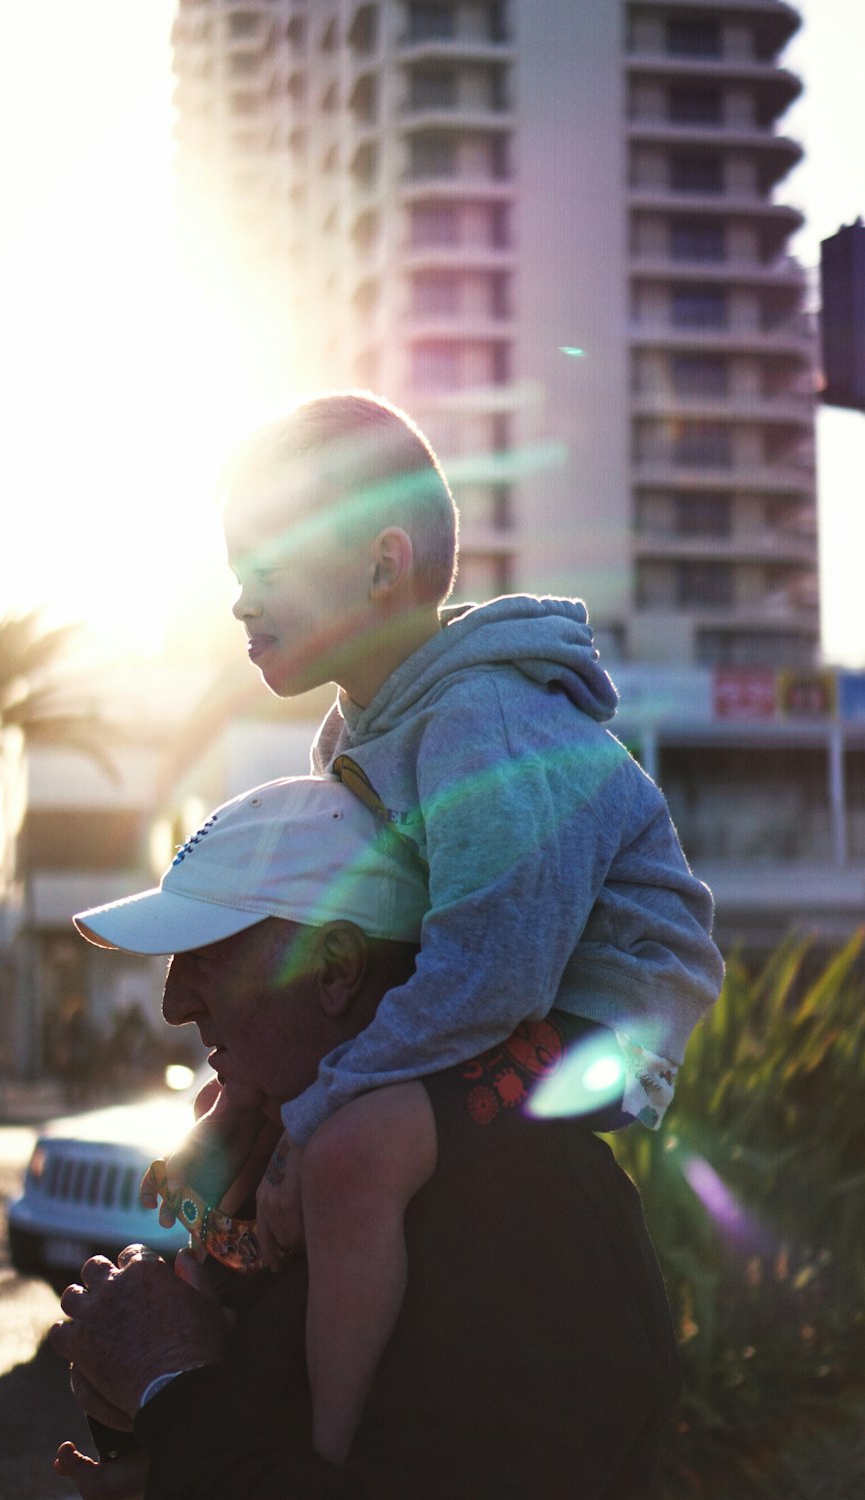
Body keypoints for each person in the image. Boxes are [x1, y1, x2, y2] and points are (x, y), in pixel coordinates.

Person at [142, 390, 724, 1458]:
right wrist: (253, 1109)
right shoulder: (354, 735)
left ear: (381, 565)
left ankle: (329, 1450)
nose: (238, 602)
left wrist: (317, 1117)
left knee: (356, 1152)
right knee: (294, 1114)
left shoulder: (477, 722)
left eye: (263, 569)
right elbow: (384, 969)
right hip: (510, 992)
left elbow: (491, 971)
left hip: (600, 1009)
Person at [51, 775, 682, 1499]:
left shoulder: (528, 1207)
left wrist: (170, 1384)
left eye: (202, 954)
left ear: (336, 969)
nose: (171, 1004)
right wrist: (146, 1420)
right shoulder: (279, 1163)